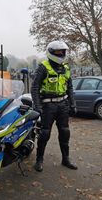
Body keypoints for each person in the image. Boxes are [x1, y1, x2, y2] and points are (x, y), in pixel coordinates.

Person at [31, 40, 78, 172]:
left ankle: (66, 159)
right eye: (58, 52)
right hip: (48, 105)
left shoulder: (66, 68)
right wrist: (37, 105)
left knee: (65, 132)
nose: (61, 54)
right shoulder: (43, 67)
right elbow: (34, 87)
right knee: (45, 133)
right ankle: (39, 160)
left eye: (63, 52)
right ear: (51, 52)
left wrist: (73, 104)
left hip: (63, 104)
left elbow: (69, 87)